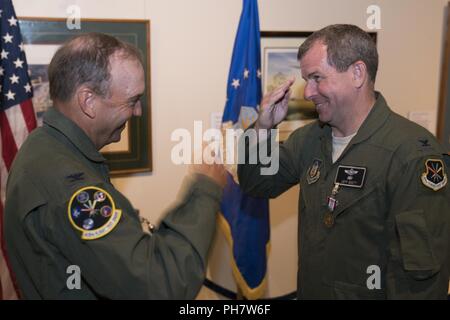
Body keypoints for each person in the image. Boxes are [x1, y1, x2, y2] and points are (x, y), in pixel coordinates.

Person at [4, 33, 227, 299]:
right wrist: (204, 190)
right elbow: (163, 285)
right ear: (88, 101)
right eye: (132, 100)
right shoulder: (69, 187)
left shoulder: (45, 146)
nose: (137, 112)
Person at [238, 24, 450, 299]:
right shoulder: (309, 140)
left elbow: (419, 278)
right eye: (306, 79)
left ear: (357, 73)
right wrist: (262, 128)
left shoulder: (412, 154)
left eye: (316, 78)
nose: (307, 92)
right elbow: (256, 184)